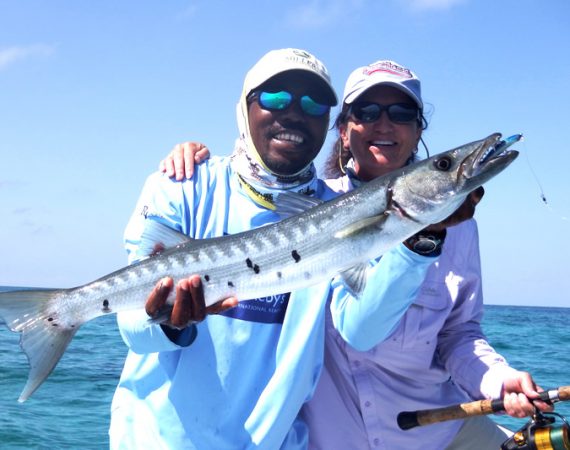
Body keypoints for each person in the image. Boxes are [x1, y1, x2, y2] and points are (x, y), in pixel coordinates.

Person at [159, 60, 551, 450]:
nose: (384, 124)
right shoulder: (310, 205)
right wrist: (195, 162)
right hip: (336, 438)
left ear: (418, 132)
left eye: (402, 113)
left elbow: (458, 334)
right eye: (366, 112)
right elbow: (251, 186)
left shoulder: (458, 223)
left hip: (440, 432)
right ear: (344, 132)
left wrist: (499, 379)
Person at [110, 50, 443, 450]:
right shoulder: (182, 184)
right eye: (274, 99)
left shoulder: (341, 209)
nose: (294, 113)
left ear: (328, 123)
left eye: (313, 103)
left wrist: (418, 243)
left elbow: (362, 330)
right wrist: (166, 321)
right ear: (245, 108)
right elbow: (133, 328)